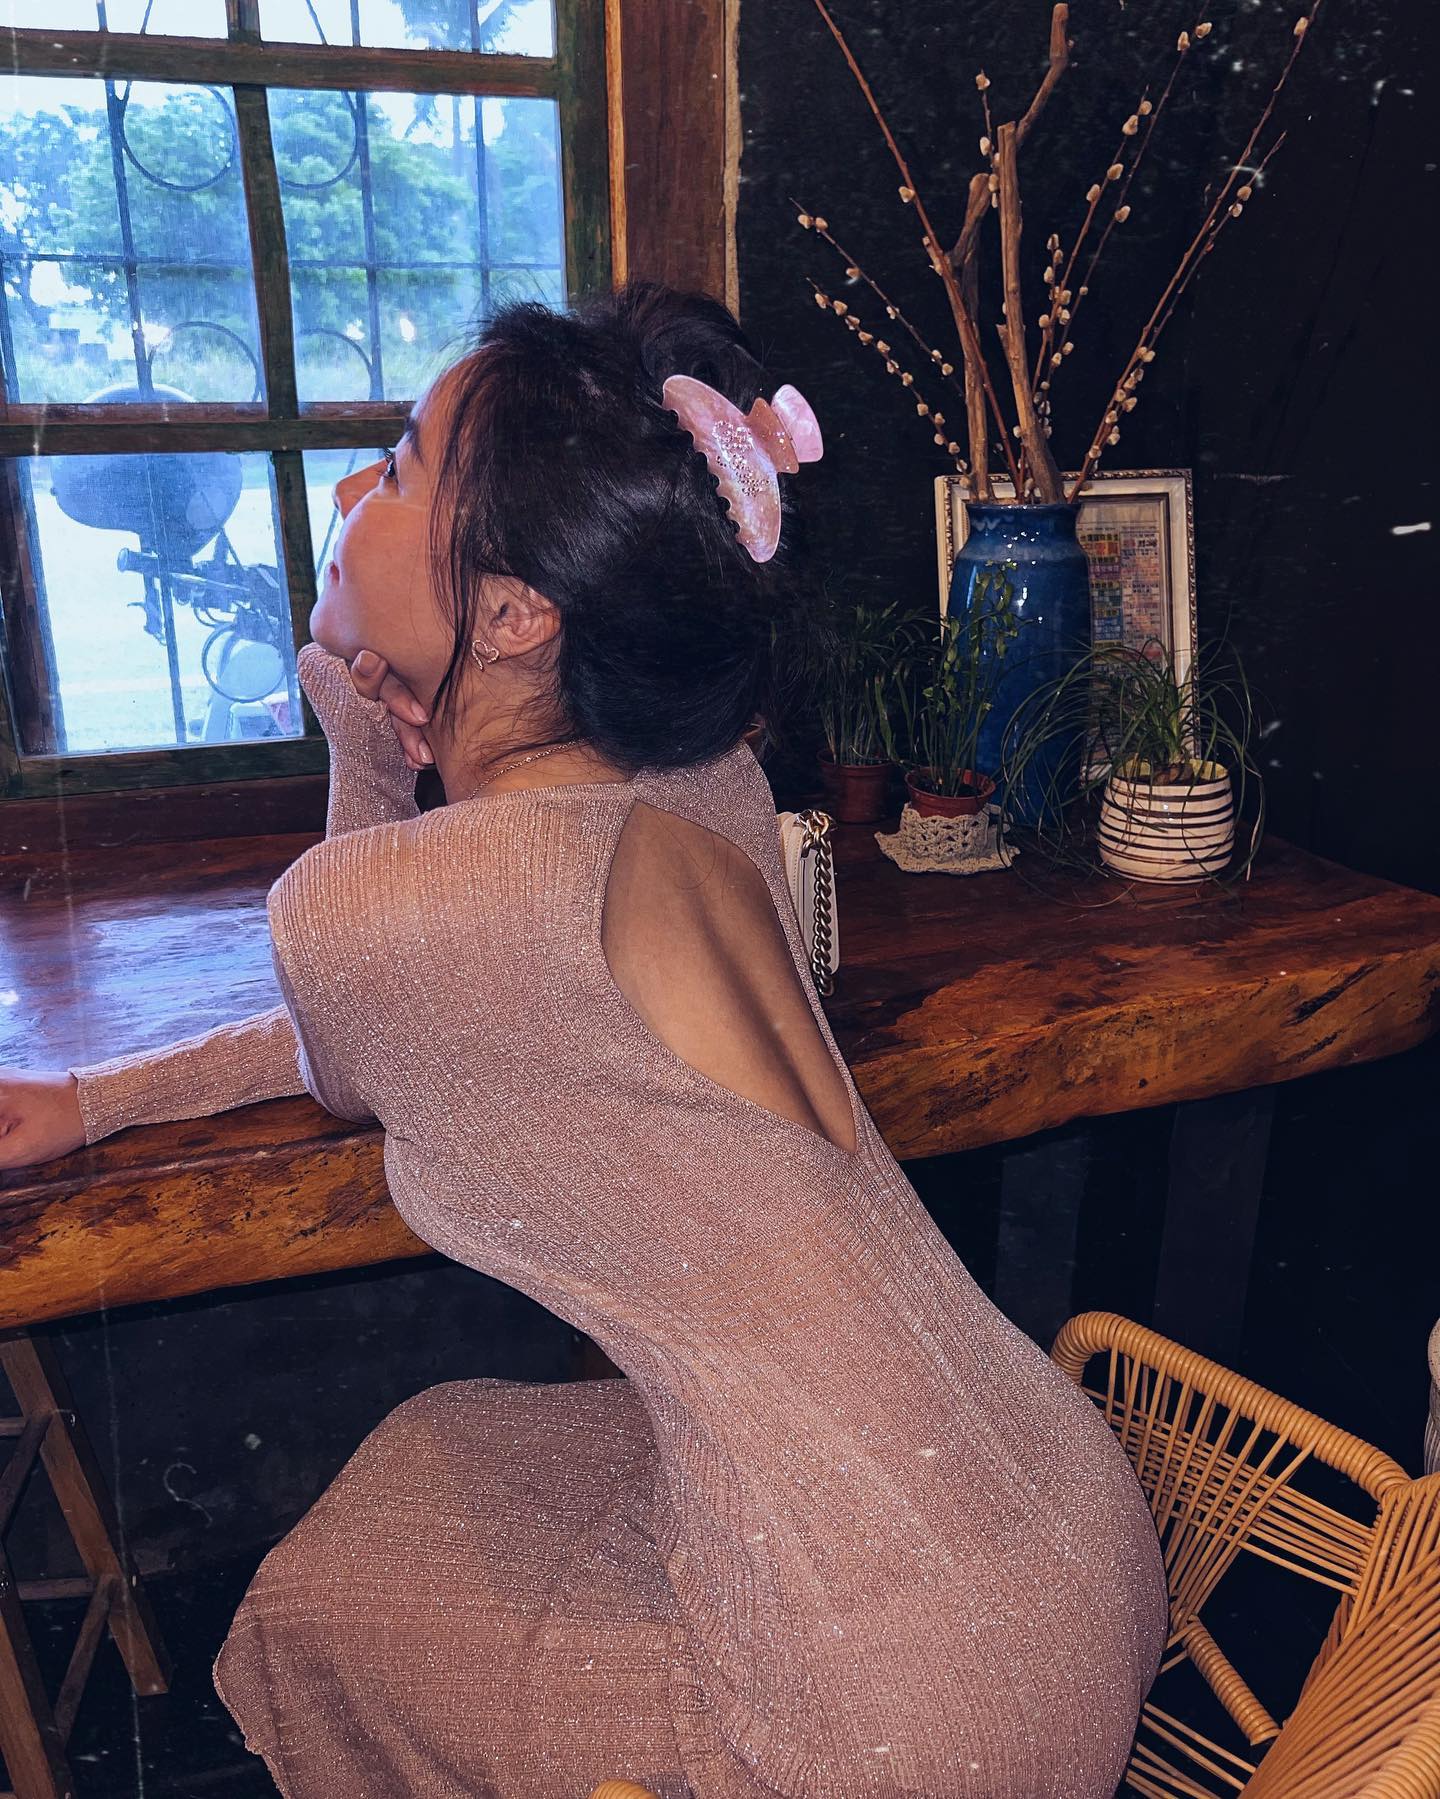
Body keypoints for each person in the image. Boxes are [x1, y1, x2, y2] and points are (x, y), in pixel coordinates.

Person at [0, 281, 1167, 1798]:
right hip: (1062, 1522)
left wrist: (356, 728)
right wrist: (92, 1096)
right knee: (449, 1440)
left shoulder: (396, 910)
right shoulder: (706, 788)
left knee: (324, 1605)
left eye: (400, 467)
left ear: (511, 612)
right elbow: (401, 987)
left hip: (908, 1707)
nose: (349, 496)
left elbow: (350, 1028)